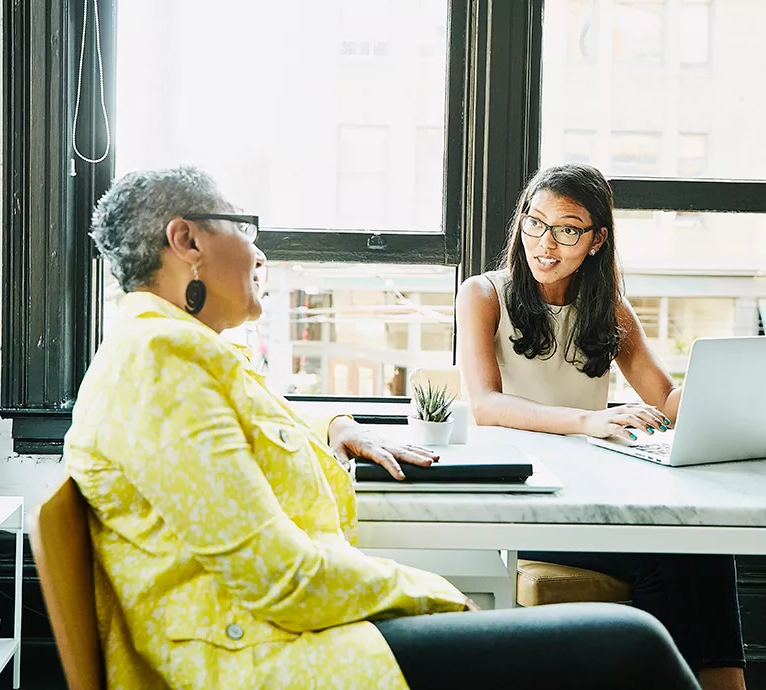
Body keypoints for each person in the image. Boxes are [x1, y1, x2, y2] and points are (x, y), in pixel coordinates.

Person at [64, 166, 701, 690]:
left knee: (636, 632)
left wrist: (338, 422)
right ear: (187, 241)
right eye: (244, 228)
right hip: (263, 656)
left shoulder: (173, 348)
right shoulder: (162, 362)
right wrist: (434, 594)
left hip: (282, 633)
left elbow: (255, 421)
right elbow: (277, 578)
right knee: (633, 642)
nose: (259, 251)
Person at [456, 163, 747, 690]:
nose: (546, 243)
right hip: (522, 499)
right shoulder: (483, 294)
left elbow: (665, 399)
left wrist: (736, 391)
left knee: (702, 542)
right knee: (673, 558)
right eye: (535, 223)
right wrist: (589, 421)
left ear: (595, 241)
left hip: (588, 497)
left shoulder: (609, 307)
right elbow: (486, 405)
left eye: (567, 229)